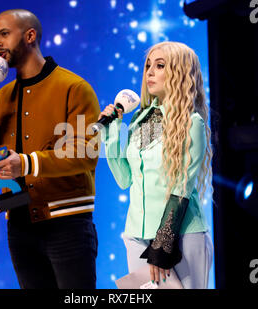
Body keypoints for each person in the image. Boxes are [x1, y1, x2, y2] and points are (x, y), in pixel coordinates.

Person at [0, 9, 100, 289]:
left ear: (30, 36)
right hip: (18, 225)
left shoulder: (75, 88)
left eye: (4, 34)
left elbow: (86, 154)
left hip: (67, 224)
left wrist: (27, 164)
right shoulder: (1, 97)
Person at [100, 41, 214, 289]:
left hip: (180, 236)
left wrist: (162, 247)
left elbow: (181, 187)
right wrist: (112, 131)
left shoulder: (191, 122)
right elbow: (124, 179)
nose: (150, 72)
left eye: (160, 65)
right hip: (136, 236)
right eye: (148, 65)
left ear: (179, 72)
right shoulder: (140, 118)